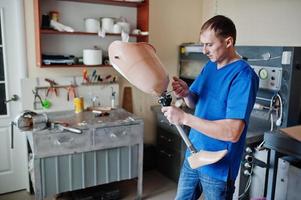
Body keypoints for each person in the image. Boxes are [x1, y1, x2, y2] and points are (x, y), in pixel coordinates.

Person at [161, 15, 259, 200]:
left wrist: (184, 118)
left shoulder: (243, 76)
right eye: (202, 45)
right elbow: (194, 102)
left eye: (209, 45)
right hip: (195, 154)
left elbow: (232, 132)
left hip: (218, 165)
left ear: (228, 41)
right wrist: (186, 93)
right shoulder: (210, 67)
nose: (204, 50)